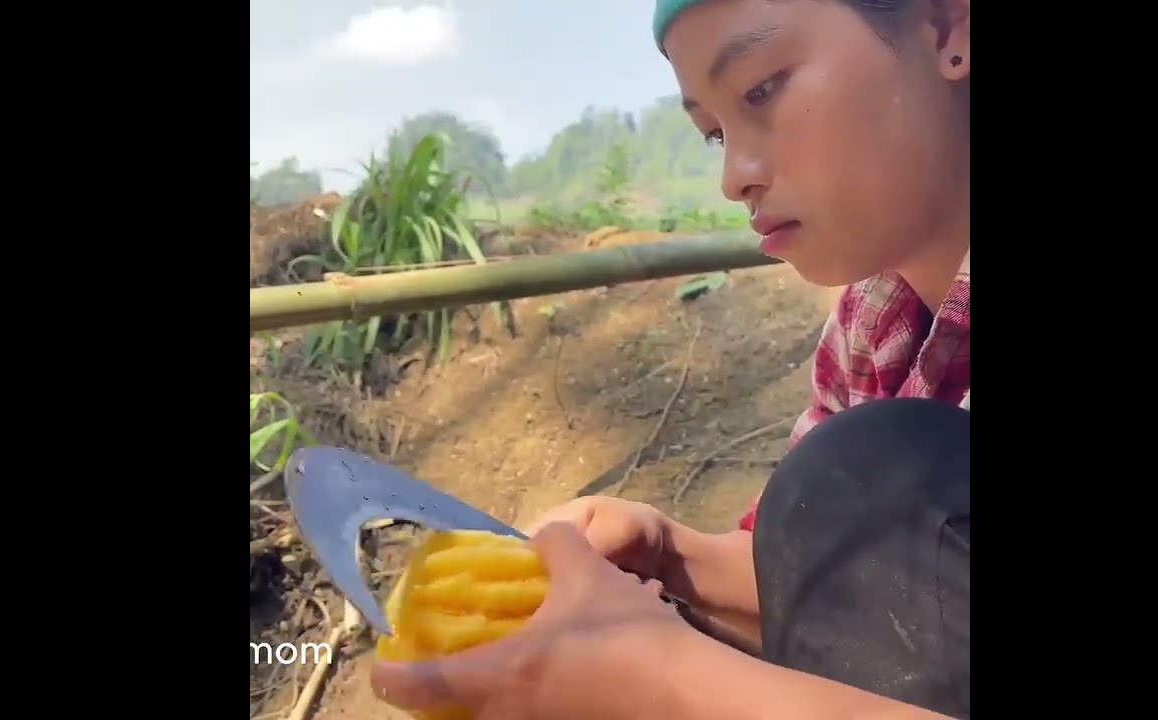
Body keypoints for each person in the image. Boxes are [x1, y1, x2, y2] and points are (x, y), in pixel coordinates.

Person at [371, 0, 970, 717]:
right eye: (714, 132)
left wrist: (660, 678)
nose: (734, 176)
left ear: (948, 28)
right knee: (843, 480)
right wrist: (669, 555)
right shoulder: (871, 326)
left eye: (762, 90)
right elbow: (872, 594)